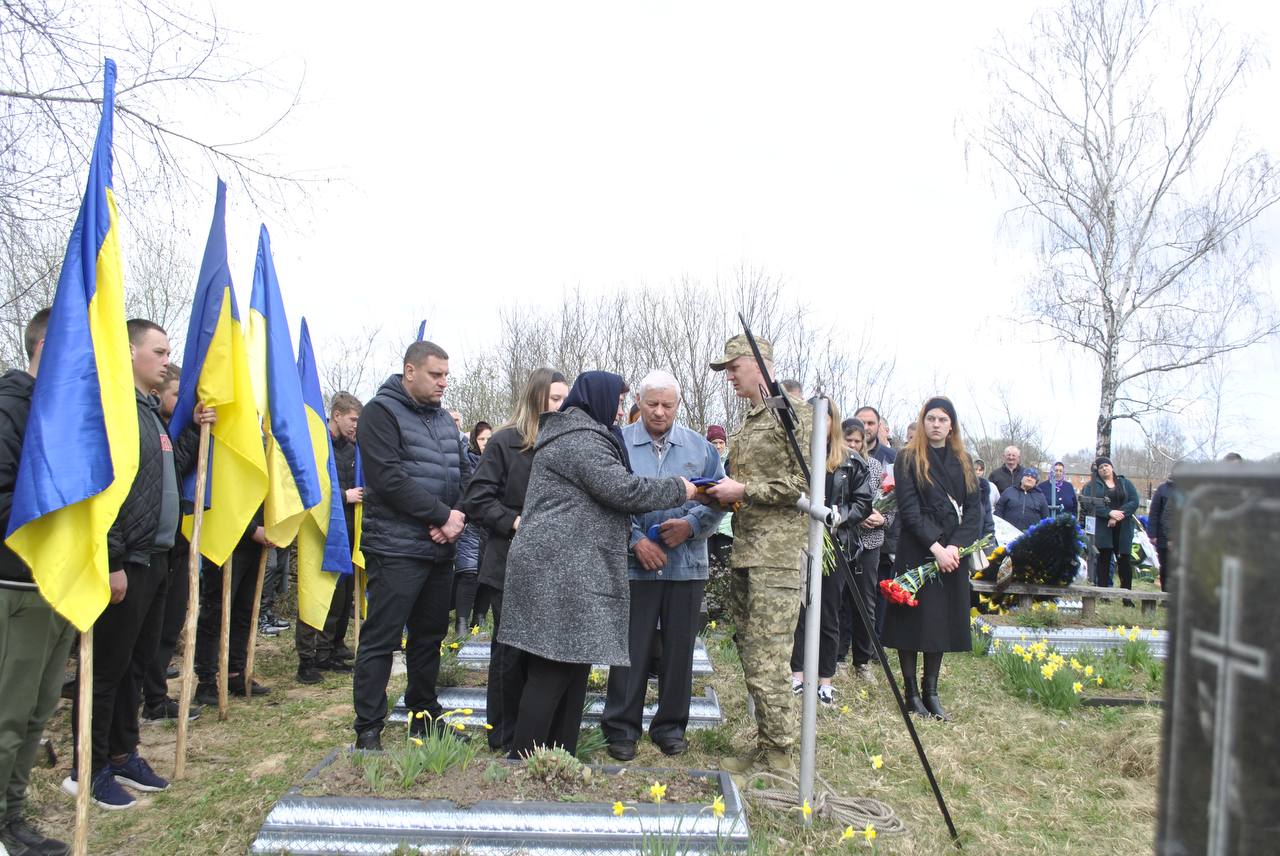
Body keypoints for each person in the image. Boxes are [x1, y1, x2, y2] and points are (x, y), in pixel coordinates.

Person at [500, 372, 694, 758]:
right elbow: (621, 489)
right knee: (551, 669)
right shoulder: (582, 438)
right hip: (558, 570)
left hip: (565, 567)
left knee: (571, 667)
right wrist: (681, 487)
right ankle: (523, 761)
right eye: (619, 401)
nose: (623, 410)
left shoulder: (577, 432)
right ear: (599, 399)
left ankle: (558, 759)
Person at [66, 319, 210, 809]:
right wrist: (110, 558)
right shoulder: (114, 411)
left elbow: (165, 473)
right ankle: (87, 767)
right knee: (106, 667)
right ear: (129, 352)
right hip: (125, 559)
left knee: (134, 665)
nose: (168, 360)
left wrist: (194, 426)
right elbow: (101, 490)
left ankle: (123, 750)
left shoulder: (149, 414)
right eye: (160, 350)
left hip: (156, 558)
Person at [352, 341, 472, 750]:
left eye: (446, 376)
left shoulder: (443, 421)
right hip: (397, 548)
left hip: (439, 549)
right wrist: (442, 516)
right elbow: (386, 479)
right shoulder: (380, 413)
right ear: (409, 371)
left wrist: (453, 517)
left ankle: (423, 714)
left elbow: (462, 476)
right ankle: (368, 726)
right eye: (435, 375)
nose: (443, 383)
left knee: (429, 637)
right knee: (382, 638)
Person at [601, 371, 724, 761]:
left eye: (667, 405)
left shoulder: (701, 447)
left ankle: (671, 727)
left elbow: (719, 497)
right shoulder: (617, 443)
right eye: (651, 403)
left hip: (686, 565)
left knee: (678, 651)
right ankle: (621, 727)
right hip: (634, 567)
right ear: (639, 401)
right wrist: (635, 540)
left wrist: (690, 527)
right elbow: (604, 500)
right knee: (631, 648)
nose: (658, 412)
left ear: (678, 404)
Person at [705, 335, 811, 776]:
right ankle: (769, 746)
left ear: (758, 363)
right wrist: (720, 492)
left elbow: (802, 485)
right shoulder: (752, 418)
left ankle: (782, 759)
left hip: (778, 555)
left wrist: (743, 490)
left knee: (770, 658)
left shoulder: (794, 414)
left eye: (733, 368)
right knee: (751, 652)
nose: (728, 377)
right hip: (747, 549)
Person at [460, 369, 568, 752]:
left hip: (550, 566)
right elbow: (477, 498)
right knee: (509, 652)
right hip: (508, 562)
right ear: (536, 398)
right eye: (554, 399)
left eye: (564, 399)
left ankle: (534, 732)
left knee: (541, 654)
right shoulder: (506, 441)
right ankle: (503, 734)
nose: (561, 406)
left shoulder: (563, 441)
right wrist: (513, 521)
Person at [0, 310, 76, 850]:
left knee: (35, 715)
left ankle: (13, 818)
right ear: (47, 346)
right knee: (6, 717)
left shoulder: (66, 415)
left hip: (59, 585)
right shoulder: (11, 408)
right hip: (17, 586)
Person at [882, 396, 981, 723]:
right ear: (923, 422)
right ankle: (911, 694)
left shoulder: (964, 460)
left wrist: (954, 548)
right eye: (931, 419)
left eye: (942, 419)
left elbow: (974, 511)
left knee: (938, 621)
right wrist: (936, 549)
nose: (936, 425)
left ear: (951, 424)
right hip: (918, 548)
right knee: (912, 621)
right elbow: (909, 510)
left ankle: (931, 691)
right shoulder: (908, 458)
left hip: (952, 554)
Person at [788, 404, 871, 704]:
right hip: (799, 544)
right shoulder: (796, 453)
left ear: (834, 421)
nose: (818, 422)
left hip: (836, 546)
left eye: (824, 416)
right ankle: (796, 673)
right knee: (799, 610)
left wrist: (838, 514)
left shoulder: (850, 462)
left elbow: (864, 503)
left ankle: (825, 679)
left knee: (828, 613)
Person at [140, 363, 202, 722]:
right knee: (150, 628)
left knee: (169, 622)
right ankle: (148, 697)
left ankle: (156, 695)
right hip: (148, 545)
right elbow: (175, 465)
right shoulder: (155, 428)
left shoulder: (168, 427)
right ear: (158, 394)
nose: (182, 403)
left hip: (175, 542)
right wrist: (193, 427)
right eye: (177, 395)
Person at [295, 391, 363, 684]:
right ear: (336, 415)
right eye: (352, 419)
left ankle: (332, 646)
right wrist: (343, 497)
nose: (355, 426)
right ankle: (308, 657)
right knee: (318, 591)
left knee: (341, 594)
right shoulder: (317, 445)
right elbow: (308, 486)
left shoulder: (352, 449)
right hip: (321, 529)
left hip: (347, 531)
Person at [836, 417, 893, 683]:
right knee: (839, 601)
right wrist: (857, 515)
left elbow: (890, 503)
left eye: (858, 441)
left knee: (866, 602)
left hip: (870, 543)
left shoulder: (875, 467)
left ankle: (863, 660)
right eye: (849, 440)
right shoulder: (835, 463)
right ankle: (838, 659)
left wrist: (883, 517)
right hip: (844, 539)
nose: (854, 445)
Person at [451, 420, 491, 635]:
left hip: (490, 525)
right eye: (482, 438)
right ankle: (462, 623)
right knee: (468, 574)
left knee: (487, 575)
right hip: (470, 526)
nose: (485, 443)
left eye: (489, 439)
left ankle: (480, 619)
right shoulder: (467, 460)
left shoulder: (496, 460)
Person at [1080, 457, 1139, 591]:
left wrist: (1117, 514)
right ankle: (1103, 592)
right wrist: (1109, 513)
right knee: (1104, 560)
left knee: (1124, 560)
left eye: (1106, 466)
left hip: (1123, 527)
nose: (1104, 469)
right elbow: (1089, 503)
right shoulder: (1092, 486)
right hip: (1103, 528)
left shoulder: (1125, 483)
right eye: (1100, 468)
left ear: (1112, 467)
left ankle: (1126, 594)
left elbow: (1134, 502)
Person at [705, 425, 733, 571]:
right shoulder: (703, 461)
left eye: (721, 442)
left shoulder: (732, 463)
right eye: (714, 442)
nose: (718, 446)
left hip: (726, 527)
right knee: (708, 565)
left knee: (725, 563)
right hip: (707, 523)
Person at [1148, 475, 1175, 592]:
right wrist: (1152, 534)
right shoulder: (1162, 489)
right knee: (1166, 566)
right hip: (1163, 536)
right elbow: (1154, 513)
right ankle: (1166, 595)